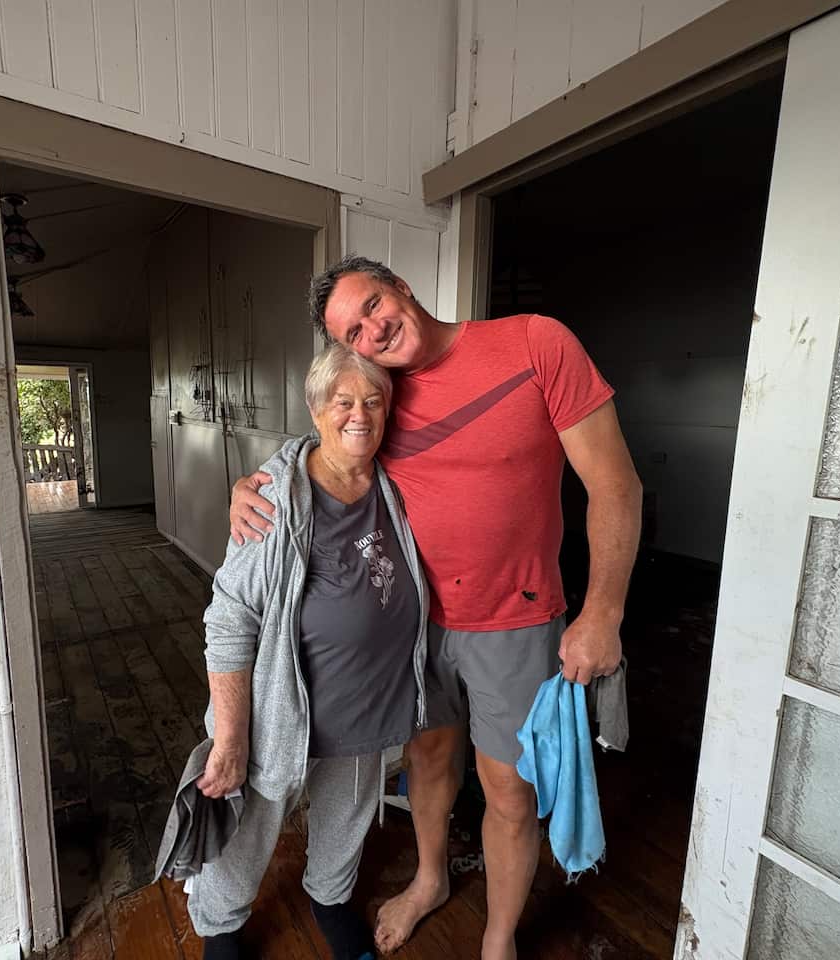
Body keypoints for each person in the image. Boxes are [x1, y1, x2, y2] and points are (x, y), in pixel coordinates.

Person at [230, 256, 642, 960]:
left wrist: (602, 614)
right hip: (413, 623)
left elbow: (616, 485)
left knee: (508, 790)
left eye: (373, 304)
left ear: (402, 288)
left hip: (516, 622)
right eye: (354, 331)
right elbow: (334, 435)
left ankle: (499, 936)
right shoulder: (380, 393)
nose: (373, 328)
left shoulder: (536, 343)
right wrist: (258, 481)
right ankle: (430, 880)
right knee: (425, 758)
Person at [191, 344, 429, 960]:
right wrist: (229, 734)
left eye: (373, 401)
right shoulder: (272, 494)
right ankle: (221, 926)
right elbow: (230, 615)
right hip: (282, 709)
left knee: (348, 817)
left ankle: (330, 896)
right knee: (246, 826)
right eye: (343, 401)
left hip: (371, 704)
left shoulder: (400, 483)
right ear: (316, 408)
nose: (360, 415)